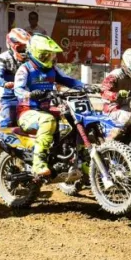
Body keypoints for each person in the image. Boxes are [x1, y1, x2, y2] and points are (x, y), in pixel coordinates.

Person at [14, 34, 87, 177]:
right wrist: (30, 94)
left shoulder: (52, 69)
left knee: (74, 120)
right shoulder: (25, 69)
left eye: (50, 55)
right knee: (48, 120)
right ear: (35, 53)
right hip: (27, 112)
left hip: (47, 109)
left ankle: (78, 159)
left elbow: (69, 80)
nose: (48, 58)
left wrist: (86, 86)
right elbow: (18, 89)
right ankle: (38, 163)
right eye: (44, 55)